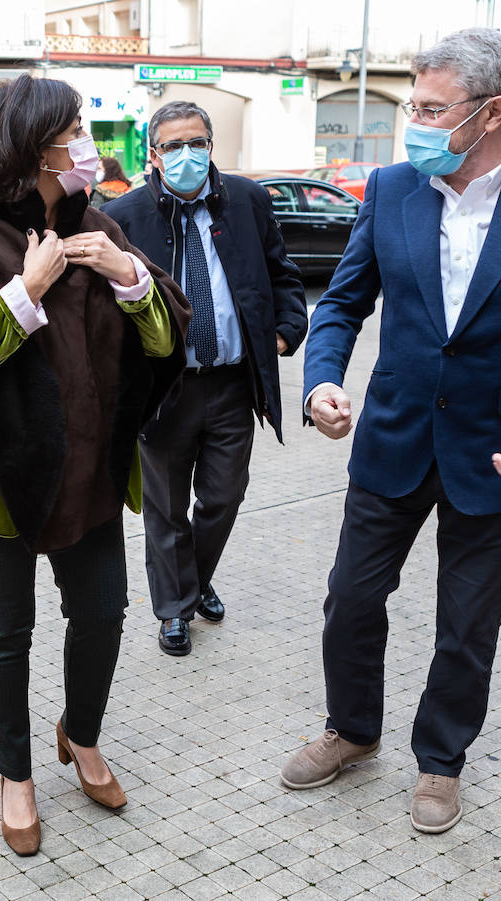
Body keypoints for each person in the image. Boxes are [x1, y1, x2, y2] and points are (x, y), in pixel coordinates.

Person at [279, 27, 501, 834]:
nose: (416, 125)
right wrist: (322, 378)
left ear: (492, 113)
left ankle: (440, 760)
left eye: (433, 109)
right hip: (392, 437)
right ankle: (354, 729)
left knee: (467, 625)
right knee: (350, 599)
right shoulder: (393, 187)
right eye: (414, 107)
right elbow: (342, 303)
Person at [0, 74, 189, 856]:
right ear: (32, 148)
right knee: (5, 630)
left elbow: (166, 341)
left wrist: (129, 280)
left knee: (101, 611)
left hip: (90, 471)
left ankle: (81, 733)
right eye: (74, 131)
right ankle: (16, 774)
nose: (86, 145)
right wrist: (25, 292)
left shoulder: (101, 226)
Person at [105, 101, 307, 657]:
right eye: (173, 146)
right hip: (164, 391)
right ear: (153, 155)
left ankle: (189, 581)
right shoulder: (124, 218)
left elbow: (282, 276)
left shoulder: (246, 200)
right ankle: (174, 609)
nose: (186, 155)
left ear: (211, 146)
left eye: (196, 142)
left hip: (231, 384)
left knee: (223, 497)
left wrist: (285, 334)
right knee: (165, 508)